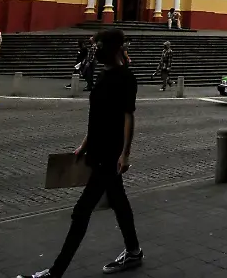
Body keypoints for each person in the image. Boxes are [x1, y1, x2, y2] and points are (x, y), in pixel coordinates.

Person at [18, 29, 142, 278]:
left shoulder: (125, 78)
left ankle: (55, 272)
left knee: (81, 211)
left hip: (109, 153)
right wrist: (84, 144)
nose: (95, 53)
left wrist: (125, 154)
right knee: (118, 201)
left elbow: (127, 117)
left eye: (98, 48)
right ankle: (134, 251)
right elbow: (97, 117)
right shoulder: (103, 76)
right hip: (96, 149)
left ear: (111, 49)